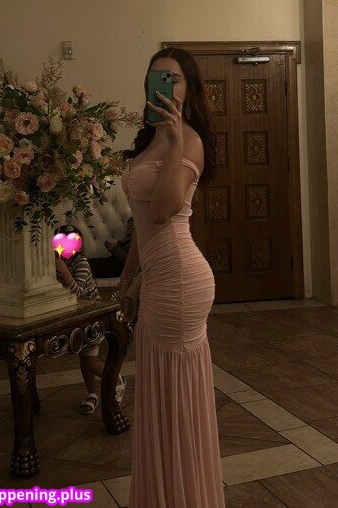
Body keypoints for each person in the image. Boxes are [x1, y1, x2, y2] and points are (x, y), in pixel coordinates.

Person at [120, 48, 224, 508]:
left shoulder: (190, 140)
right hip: (158, 278)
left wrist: (177, 137)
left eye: (174, 78)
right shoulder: (148, 141)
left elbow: (163, 211)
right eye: (156, 77)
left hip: (180, 281)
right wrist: (127, 279)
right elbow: (141, 224)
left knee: (174, 400)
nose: (165, 85)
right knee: (162, 396)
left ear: (189, 88)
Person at [54, 224, 127, 414]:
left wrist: (65, 273)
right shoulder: (57, 263)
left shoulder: (81, 263)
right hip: (76, 317)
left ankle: (117, 379)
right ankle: (92, 393)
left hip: (92, 318)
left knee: (90, 362)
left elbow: (78, 292)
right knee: (84, 359)